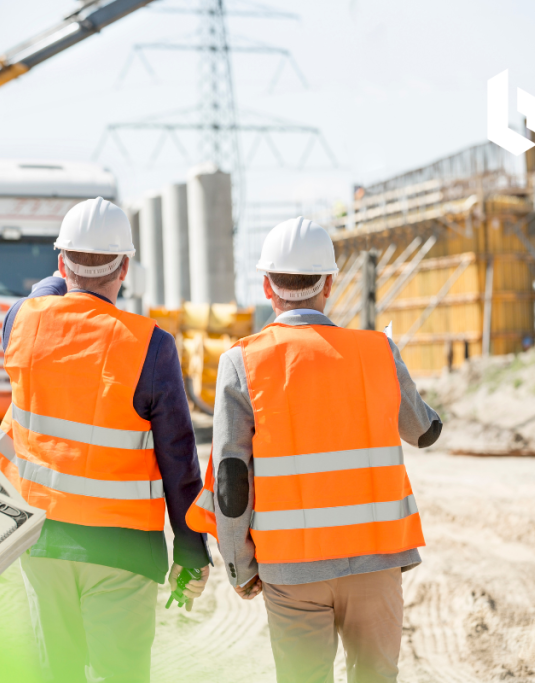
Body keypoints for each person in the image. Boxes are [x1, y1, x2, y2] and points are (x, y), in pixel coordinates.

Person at [187, 217, 442, 683]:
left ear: (267, 286)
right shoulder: (378, 352)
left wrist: (240, 564)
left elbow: (230, 479)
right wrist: (392, 361)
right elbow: (424, 432)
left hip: (291, 570)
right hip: (376, 559)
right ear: (329, 283)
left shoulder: (241, 362)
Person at [0, 197, 211, 683]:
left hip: (44, 543)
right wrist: (191, 551)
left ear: (60, 260)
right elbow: (179, 458)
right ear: (125, 266)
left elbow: (39, 294)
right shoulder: (151, 344)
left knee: (57, 674)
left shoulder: (23, 322)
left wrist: (61, 275)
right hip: (123, 553)